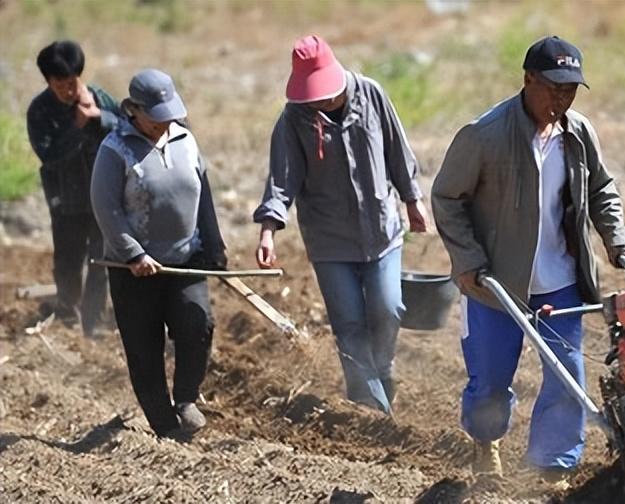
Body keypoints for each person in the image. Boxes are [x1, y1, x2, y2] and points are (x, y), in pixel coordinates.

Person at [431, 36, 625, 478]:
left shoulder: (577, 133)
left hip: (561, 279)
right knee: (490, 380)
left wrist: (616, 237)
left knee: (567, 377)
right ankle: (485, 440)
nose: (561, 99)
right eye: (554, 88)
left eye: (570, 90)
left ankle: (553, 467)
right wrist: (467, 259)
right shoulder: (484, 135)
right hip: (496, 282)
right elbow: (447, 198)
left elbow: (601, 188)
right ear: (528, 80)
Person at [253, 35, 429, 414]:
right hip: (329, 241)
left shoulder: (371, 95)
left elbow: (397, 150)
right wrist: (268, 231)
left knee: (388, 308)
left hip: (381, 231)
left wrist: (412, 199)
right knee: (349, 324)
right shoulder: (294, 119)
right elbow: (282, 180)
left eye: (323, 95)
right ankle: (369, 407)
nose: (318, 102)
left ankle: (383, 369)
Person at [90, 69, 227, 438]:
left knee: (197, 324)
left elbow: (203, 195)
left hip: (184, 260)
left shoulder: (185, 139)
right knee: (144, 348)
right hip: (134, 270)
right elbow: (106, 208)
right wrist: (133, 254)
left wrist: (213, 243)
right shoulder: (114, 149)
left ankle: (186, 398)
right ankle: (164, 427)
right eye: (155, 117)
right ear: (133, 110)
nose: (163, 123)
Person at [27, 40, 120, 337]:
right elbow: (49, 155)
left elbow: (127, 129)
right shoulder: (40, 110)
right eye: (61, 85)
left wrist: (99, 117)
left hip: (101, 197)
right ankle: (67, 317)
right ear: (48, 82)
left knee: (101, 261)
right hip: (65, 201)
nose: (68, 91)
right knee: (68, 260)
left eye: (72, 83)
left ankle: (94, 323)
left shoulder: (99, 98)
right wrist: (77, 127)